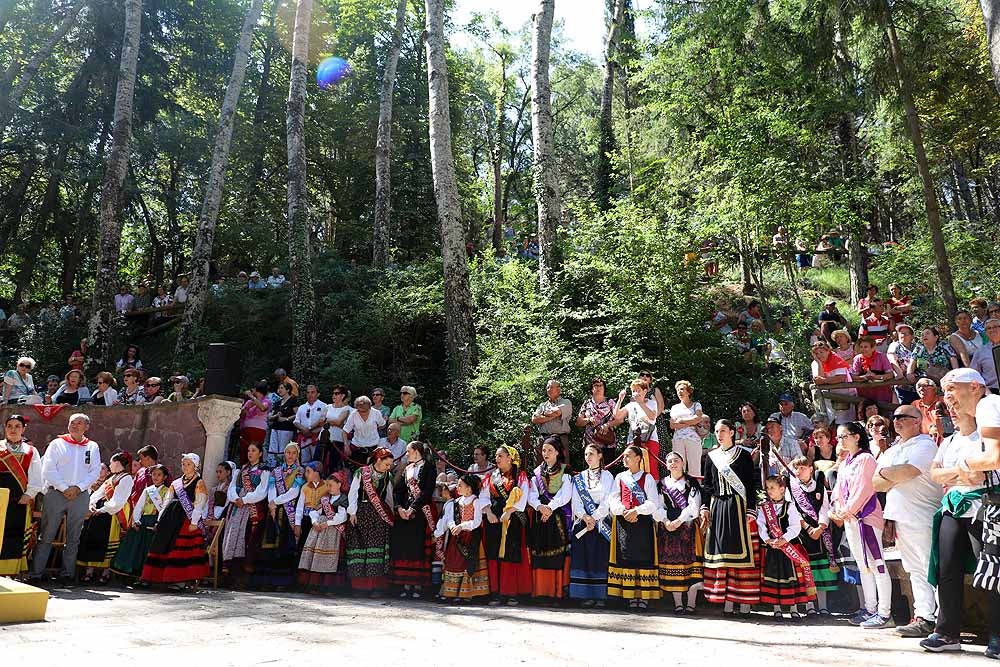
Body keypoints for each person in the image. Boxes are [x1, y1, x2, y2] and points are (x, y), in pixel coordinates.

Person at [922, 368, 1000, 654]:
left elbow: (986, 469)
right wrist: (960, 473)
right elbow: (935, 473)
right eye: (945, 392)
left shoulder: (990, 413)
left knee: (992, 570)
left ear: (976, 387)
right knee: (948, 569)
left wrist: (956, 472)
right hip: (955, 507)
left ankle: (998, 635)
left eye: (952, 389)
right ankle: (946, 632)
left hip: (986, 506)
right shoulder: (952, 440)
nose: (949, 401)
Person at [873, 404, 941, 637]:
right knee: (914, 569)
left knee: (930, 567)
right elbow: (876, 483)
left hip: (923, 516)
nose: (897, 420)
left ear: (917, 420)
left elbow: (908, 472)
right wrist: (892, 474)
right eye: (895, 417)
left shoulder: (925, 445)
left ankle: (943, 619)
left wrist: (888, 474)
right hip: (901, 518)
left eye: (903, 417)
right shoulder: (892, 450)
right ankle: (924, 617)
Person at [831, 421, 893, 629]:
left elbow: (864, 488)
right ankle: (870, 608)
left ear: (857, 436)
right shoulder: (846, 461)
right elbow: (838, 489)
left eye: (844, 436)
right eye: (838, 438)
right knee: (863, 565)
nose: (840, 441)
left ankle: (885, 613)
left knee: (877, 563)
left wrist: (848, 509)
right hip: (851, 519)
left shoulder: (866, 459)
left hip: (866, 518)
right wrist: (837, 508)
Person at [28, 414, 102, 584]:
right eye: (72, 423)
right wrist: (64, 487)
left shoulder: (92, 446)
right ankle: (36, 574)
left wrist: (78, 488)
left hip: (80, 495)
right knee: (46, 534)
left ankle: (67, 574)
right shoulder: (57, 444)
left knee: (74, 537)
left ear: (87, 427)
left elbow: (95, 471)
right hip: (56, 493)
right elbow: (48, 469)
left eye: (79, 423)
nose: (75, 426)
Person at [700, 419, 760, 616]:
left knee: (742, 555)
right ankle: (726, 600)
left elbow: (751, 484)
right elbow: (707, 485)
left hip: (738, 506)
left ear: (732, 432)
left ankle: (744, 601)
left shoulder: (743, 455)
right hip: (718, 507)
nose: (719, 434)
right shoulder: (711, 457)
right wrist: (705, 507)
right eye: (717, 431)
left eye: (723, 430)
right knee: (723, 555)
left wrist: (751, 508)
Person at [141, 453, 210, 590]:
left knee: (180, 547)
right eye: (184, 464)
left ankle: (180, 580)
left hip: (186, 520)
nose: (185, 467)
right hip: (171, 518)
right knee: (163, 544)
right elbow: (167, 501)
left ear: (195, 466)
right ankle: (156, 577)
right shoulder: (176, 483)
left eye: (189, 464)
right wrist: (160, 519)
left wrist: (194, 522)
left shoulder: (199, 483)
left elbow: (199, 503)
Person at [607, 444, 662, 610]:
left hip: (642, 523)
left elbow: (653, 502)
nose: (624, 459)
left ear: (638, 458)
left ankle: (644, 596)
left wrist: (637, 511)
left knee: (643, 557)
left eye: (628, 456)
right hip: (624, 522)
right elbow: (613, 498)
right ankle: (630, 595)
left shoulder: (648, 478)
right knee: (627, 557)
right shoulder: (620, 477)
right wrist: (622, 510)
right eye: (623, 456)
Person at [757, 474, 814, 619]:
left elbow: (795, 527)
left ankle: (793, 608)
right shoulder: (764, 507)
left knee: (790, 578)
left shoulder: (790, 506)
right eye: (768, 488)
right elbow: (761, 525)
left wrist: (784, 539)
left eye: (773, 488)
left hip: (788, 547)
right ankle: (777, 609)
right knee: (774, 578)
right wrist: (767, 539)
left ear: (782, 489)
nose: (769, 491)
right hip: (773, 549)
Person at [480, 445, 531, 605]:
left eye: (500, 456)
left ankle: (511, 592)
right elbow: (484, 496)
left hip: (513, 518)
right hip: (494, 518)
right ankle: (495, 592)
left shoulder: (520, 475)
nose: (497, 459)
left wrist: (509, 512)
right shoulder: (491, 476)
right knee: (494, 553)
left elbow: (523, 497)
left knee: (511, 552)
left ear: (510, 458)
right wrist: (488, 513)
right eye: (496, 456)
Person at [655, 451, 703, 613]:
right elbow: (658, 506)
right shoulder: (661, 484)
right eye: (670, 461)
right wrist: (666, 521)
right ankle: (678, 604)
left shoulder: (691, 483)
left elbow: (694, 506)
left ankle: (691, 604)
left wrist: (679, 521)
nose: (673, 463)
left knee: (690, 565)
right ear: (666, 465)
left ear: (683, 463)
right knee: (672, 566)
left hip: (687, 526)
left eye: (676, 460)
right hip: (668, 527)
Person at [788, 456, 837, 615]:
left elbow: (825, 508)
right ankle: (809, 606)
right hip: (802, 534)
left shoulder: (819, 487)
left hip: (820, 534)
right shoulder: (792, 488)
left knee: (822, 571)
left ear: (811, 469)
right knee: (807, 570)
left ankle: (823, 606)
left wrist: (821, 527)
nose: (799, 471)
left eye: (802, 468)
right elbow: (793, 511)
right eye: (796, 468)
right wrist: (808, 528)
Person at [76, 451, 135, 584]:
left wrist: (102, 510)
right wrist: (91, 504)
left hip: (113, 514)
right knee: (94, 538)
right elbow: (98, 493)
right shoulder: (111, 478)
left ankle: (106, 572)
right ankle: (90, 571)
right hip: (101, 511)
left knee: (109, 540)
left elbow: (118, 500)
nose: (110, 464)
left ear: (118, 463)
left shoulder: (126, 478)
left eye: (111, 462)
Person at [527, 436, 572, 602]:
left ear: (558, 452)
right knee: (540, 551)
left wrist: (550, 508)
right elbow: (532, 494)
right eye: (544, 450)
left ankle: (557, 592)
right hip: (541, 517)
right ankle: (540, 591)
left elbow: (565, 494)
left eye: (550, 450)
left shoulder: (565, 471)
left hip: (557, 516)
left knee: (556, 554)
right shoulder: (537, 472)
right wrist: (540, 507)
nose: (546, 453)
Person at [221, 443, 271, 588]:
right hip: (237, 509)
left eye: (254, 450)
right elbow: (231, 489)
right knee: (232, 538)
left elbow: (262, 491)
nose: (250, 453)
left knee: (247, 541)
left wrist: (245, 499)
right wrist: (235, 498)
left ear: (260, 453)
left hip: (253, 511)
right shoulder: (241, 470)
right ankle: (229, 575)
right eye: (248, 450)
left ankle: (242, 578)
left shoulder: (264, 470)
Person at [390, 441, 437, 598]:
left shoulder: (429, 468)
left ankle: (417, 585)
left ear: (417, 451)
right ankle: (405, 584)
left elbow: (427, 491)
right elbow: (399, 491)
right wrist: (399, 508)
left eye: (408, 451)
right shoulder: (407, 469)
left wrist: (413, 508)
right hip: (405, 512)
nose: (407, 454)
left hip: (420, 512)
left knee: (418, 548)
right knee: (405, 546)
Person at [347, 447, 396, 596]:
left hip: (378, 518)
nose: (388, 467)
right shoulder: (362, 472)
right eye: (386, 464)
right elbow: (353, 492)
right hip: (362, 513)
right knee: (361, 547)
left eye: (390, 465)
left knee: (376, 551)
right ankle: (360, 587)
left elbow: (389, 498)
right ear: (378, 460)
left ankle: (375, 587)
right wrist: (352, 512)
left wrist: (390, 516)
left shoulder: (388, 476)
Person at [568, 444, 613, 606]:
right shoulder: (579, 477)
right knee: (583, 558)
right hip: (583, 523)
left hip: (601, 523)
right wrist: (585, 517)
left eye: (591, 454)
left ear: (600, 455)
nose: (588, 457)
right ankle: (585, 595)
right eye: (586, 454)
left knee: (600, 558)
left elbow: (608, 498)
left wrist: (594, 517)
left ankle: (601, 596)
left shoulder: (607, 476)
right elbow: (576, 501)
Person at [255, 443, 304, 589]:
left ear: (297, 455)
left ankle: (282, 583)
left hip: (288, 509)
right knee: (269, 546)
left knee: (285, 546)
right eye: (288, 452)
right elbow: (271, 487)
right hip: (274, 511)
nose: (290, 455)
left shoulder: (300, 471)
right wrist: (271, 503)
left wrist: (275, 501)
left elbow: (294, 491)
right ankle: (266, 582)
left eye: (293, 453)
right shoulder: (276, 471)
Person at [436, 473, 489, 602]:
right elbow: (449, 518)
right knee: (453, 563)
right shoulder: (456, 502)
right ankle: (451, 592)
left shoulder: (476, 502)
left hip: (470, 537)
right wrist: (453, 525)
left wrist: (462, 526)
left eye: (460, 485)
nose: (457, 487)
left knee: (467, 564)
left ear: (469, 488)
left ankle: (466, 594)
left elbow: (476, 522)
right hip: (457, 537)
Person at [0, 415, 42, 576]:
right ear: (5, 428)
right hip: (0, 498)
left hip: (19, 500)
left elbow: (36, 476)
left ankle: (9, 571)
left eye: (17, 426)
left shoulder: (31, 451)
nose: (13, 429)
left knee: (13, 533)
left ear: (23, 429)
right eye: (9, 426)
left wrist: (29, 494)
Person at [112, 463, 169, 582]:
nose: (156, 477)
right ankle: (135, 575)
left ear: (165, 477)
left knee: (149, 550)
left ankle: (148, 577)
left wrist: (159, 523)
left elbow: (165, 508)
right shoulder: (148, 490)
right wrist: (136, 520)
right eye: (154, 474)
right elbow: (139, 506)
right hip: (144, 521)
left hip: (156, 522)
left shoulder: (168, 491)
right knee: (136, 547)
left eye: (159, 475)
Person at [297, 469, 349, 594]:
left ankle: (329, 587)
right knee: (316, 556)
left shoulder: (342, 499)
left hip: (332, 532)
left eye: (331, 485)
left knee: (329, 557)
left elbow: (342, 516)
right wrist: (314, 521)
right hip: (320, 529)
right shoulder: (325, 499)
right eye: (328, 485)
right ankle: (315, 585)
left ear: (339, 485)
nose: (329, 487)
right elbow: (315, 511)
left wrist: (328, 523)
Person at [615, 380, 661, 479]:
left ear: (645, 391)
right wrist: (620, 400)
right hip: (633, 439)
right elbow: (617, 416)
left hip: (650, 439)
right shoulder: (630, 405)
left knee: (651, 467)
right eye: (633, 390)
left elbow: (652, 417)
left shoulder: (652, 403)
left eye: (638, 390)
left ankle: (653, 491)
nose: (635, 393)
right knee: (633, 466)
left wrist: (640, 402)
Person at [811, 340, 855, 425]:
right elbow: (818, 380)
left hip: (844, 395)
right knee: (830, 420)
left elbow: (841, 377)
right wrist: (820, 364)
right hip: (828, 398)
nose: (819, 355)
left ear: (828, 351)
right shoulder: (815, 363)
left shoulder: (836, 359)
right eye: (816, 353)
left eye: (821, 352)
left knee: (845, 421)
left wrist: (824, 381)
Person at [576, 377, 619, 460]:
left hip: (607, 444)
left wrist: (607, 425)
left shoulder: (610, 402)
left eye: (601, 385)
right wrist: (588, 419)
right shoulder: (587, 404)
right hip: (590, 445)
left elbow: (619, 420)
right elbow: (578, 422)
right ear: (592, 389)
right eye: (596, 385)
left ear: (604, 388)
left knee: (607, 470)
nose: (598, 387)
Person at [669, 380, 704, 478]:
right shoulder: (674, 407)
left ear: (688, 391)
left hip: (693, 439)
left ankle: (696, 490)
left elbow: (698, 418)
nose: (679, 392)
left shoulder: (696, 405)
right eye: (678, 390)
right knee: (678, 465)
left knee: (694, 467)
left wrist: (681, 421)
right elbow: (672, 425)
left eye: (682, 389)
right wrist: (689, 422)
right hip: (678, 439)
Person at [851, 335, 895, 407]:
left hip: (882, 394)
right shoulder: (857, 359)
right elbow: (853, 377)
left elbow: (890, 374)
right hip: (863, 395)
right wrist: (864, 377)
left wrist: (876, 377)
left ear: (873, 348)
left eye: (865, 347)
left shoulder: (882, 357)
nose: (863, 349)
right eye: (861, 347)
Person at [768, 394, 812, 464]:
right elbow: (768, 431)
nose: (783, 406)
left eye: (786, 404)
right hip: (779, 443)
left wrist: (805, 440)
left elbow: (812, 431)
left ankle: (798, 468)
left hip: (795, 443)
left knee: (800, 445)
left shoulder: (801, 417)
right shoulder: (774, 417)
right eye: (781, 404)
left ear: (792, 405)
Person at [531, 380, 572, 451]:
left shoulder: (566, 402)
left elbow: (556, 412)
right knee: (540, 462)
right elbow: (535, 419)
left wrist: (544, 414)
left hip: (560, 439)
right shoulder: (542, 405)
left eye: (551, 387)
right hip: (543, 439)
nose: (549, 390)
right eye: (548, 387)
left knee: (561, 462)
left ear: (559, 390)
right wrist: (553, 416)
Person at [238, 381, 271, 466]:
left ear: (257, 390)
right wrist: (245, 410)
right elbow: (241, 415)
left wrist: (252, 397)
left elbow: (262, 407)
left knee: (255, 450)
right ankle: (243, 471)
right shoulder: (249, 402)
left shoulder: (267, 401)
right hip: (246, 429)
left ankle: (256, 470)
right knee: (244, 450)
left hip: (258, 430)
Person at [267, 381, 299, 467]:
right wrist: (275, 416)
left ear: (288, 390)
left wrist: (286, 419)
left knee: (283, 449)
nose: (279, 390)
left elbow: (297, 414)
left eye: (282, 388)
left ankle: (283, 467)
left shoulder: (293, 401)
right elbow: (271, 416)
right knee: (272, 448)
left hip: (286, 429)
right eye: (279, 388)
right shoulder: (277, 402)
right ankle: (271, 467)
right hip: (275, 427)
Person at [322, 385, 353, 472]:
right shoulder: (327, 407)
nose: (333, 395)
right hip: (323, 438)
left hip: (337, 440)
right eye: (333, 393)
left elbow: (339, 422)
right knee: (319, 462)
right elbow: (321, 420)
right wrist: (333, 422)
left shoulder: (347, 409)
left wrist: (326, 420)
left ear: (343, 396)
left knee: (333, 465)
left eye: (336, 393)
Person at [293, 384, 327, 464]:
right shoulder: (302, 407)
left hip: (316, 438)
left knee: (316, 461)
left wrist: (309, 428)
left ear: (318, 394)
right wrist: (304, 429)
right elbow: (296, 421)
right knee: (304, 461)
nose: (310, 395)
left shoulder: (324, 406)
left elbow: (322, 421)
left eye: (312, 392)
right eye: (308, 392)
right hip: (304, 438)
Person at [888, 323, 919, 404]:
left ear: (912, 336)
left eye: (906, 333)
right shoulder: (894, 345)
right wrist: (899, 373)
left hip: (917, 384)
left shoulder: (917, 347)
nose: (902, 335)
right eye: (901, 333)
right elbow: (892, 359)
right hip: (902, 384)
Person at [970, 318, 1000, 393]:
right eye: (988, 328)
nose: (992, 330)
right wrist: (986, 391)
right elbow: (973, 375)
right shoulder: (980, 352)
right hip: (992, 391)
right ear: (986, 332)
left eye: (995, 327)